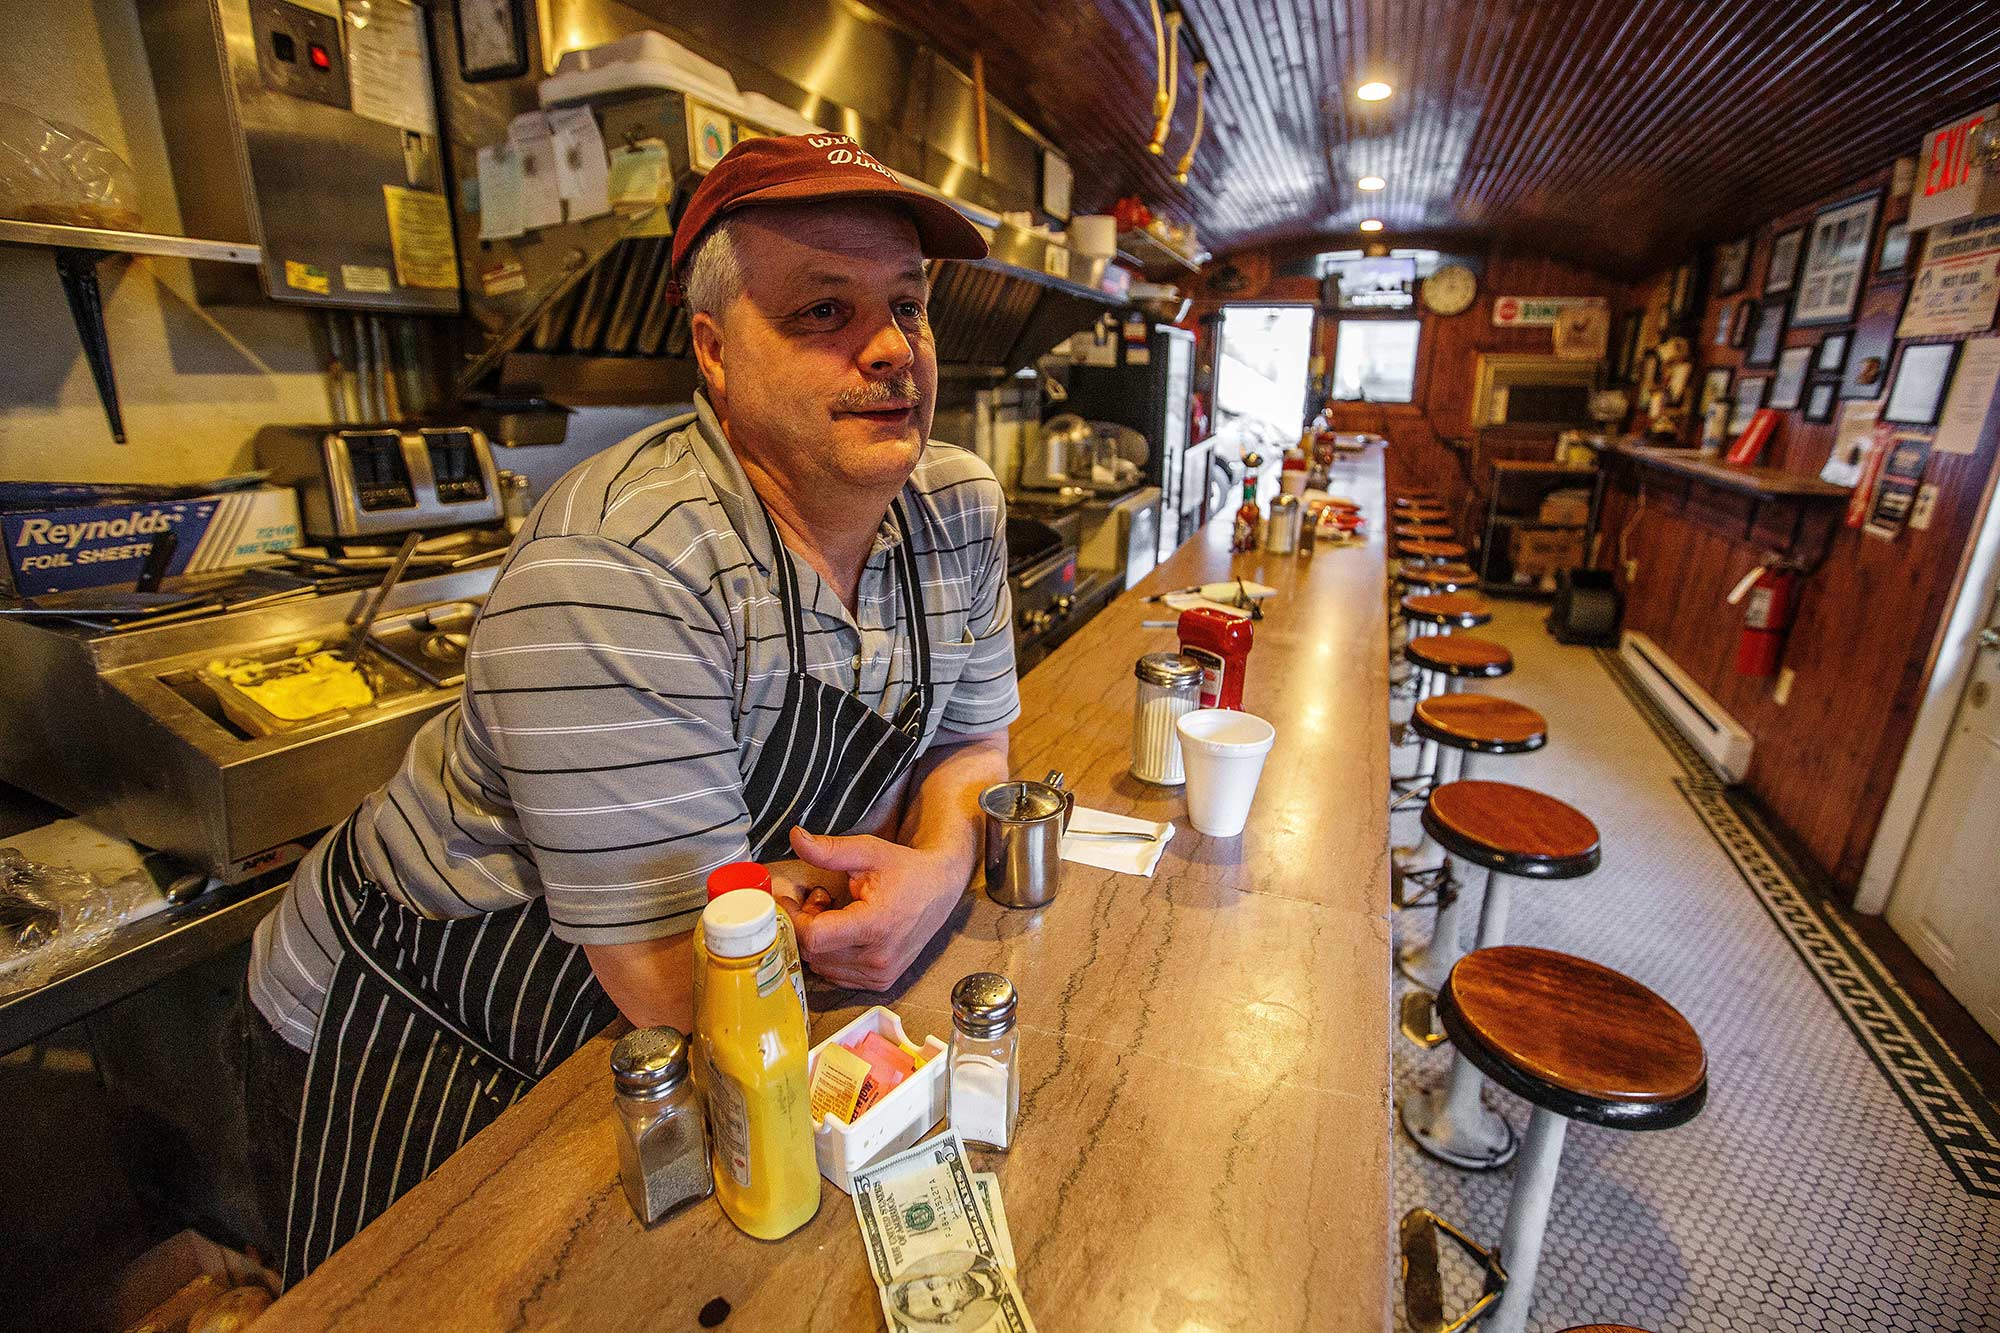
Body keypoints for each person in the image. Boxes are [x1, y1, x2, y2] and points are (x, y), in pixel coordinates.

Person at [238, 133, 1017, 1285]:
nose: (894, 348)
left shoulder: (955, 507)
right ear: (713, 350)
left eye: (907, 304)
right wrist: (879, 887)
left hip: (710, 1021)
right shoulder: (621, 566)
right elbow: (669, 972)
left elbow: (973, 741)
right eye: (821, 312)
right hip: (425, 1028)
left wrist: (942, 864)